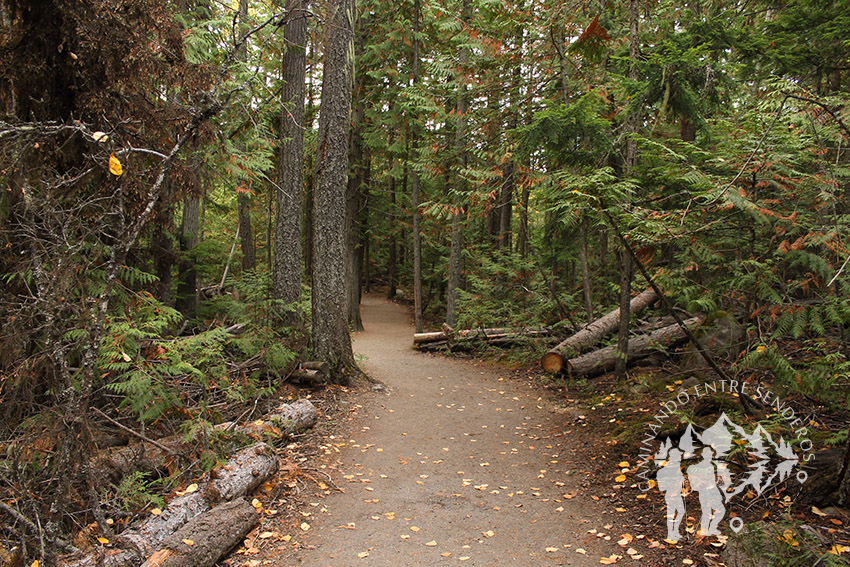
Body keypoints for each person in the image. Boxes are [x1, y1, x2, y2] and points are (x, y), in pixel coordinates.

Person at [687, 447, 725, 536]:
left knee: (720, 510)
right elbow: (694, 482)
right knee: (706, 511)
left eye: (710, 455)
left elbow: (712, 481)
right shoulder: (696, 468)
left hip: (713, 492)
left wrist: (717, 482)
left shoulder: (711, 466)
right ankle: (704, 530)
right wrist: (700, 485)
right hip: (704, 493)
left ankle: (712, 528)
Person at [656, 448, 685, 542]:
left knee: (681, 511)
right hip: (671, 494)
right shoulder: (667, 469)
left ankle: (675, 531)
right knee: (671, 514)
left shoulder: (677, 468)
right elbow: (662, 486)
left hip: (678, 494)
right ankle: (670, 534)